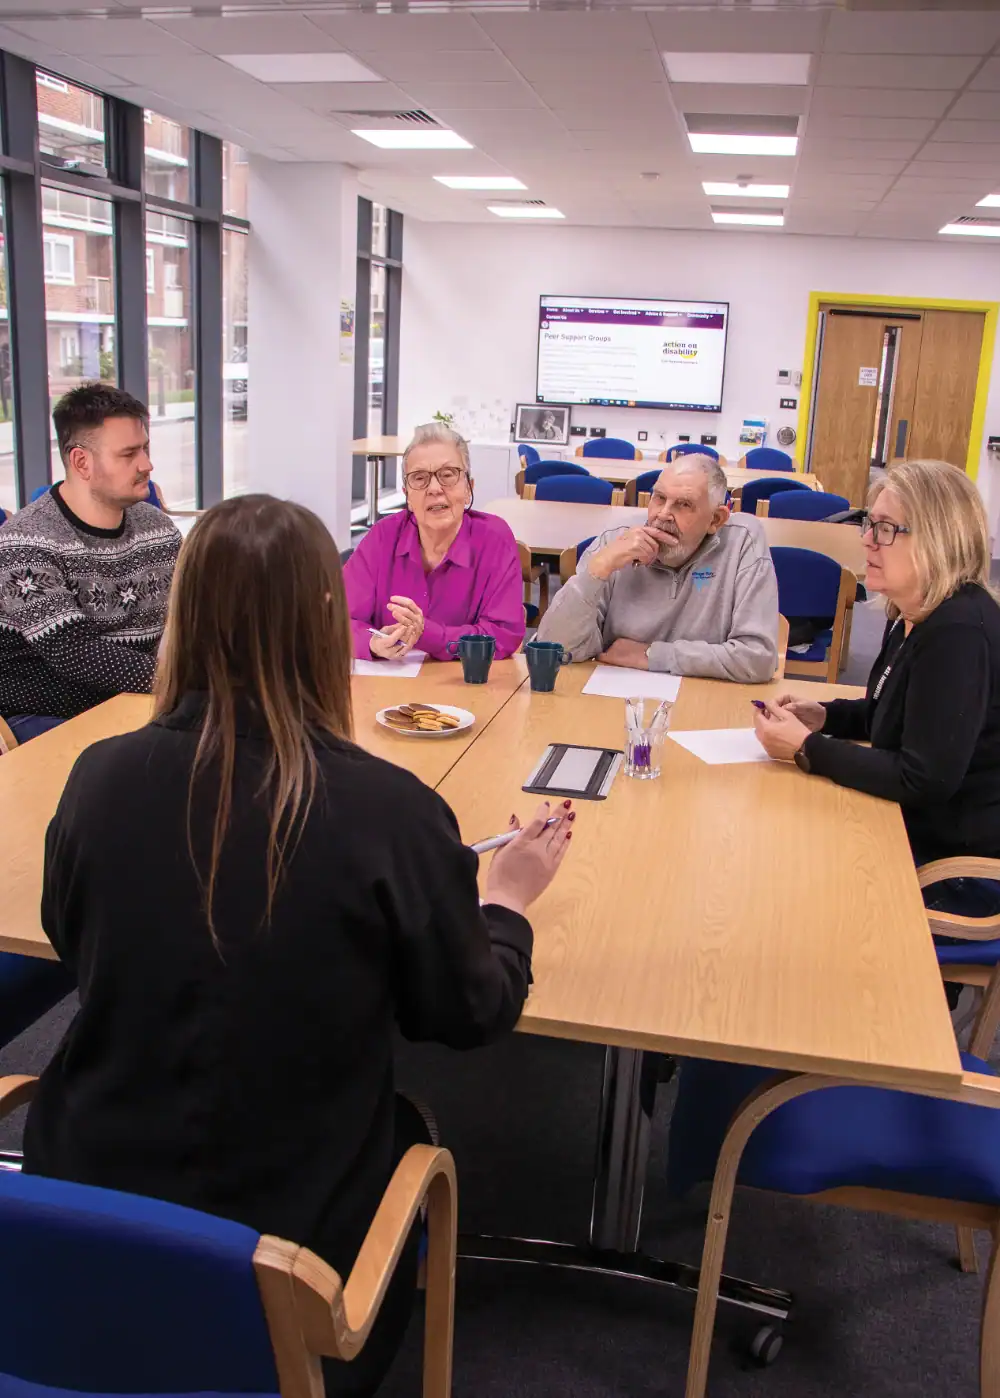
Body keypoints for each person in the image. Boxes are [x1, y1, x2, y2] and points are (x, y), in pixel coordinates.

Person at [24, 493, 573, 1397]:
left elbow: (71, 937)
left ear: (183, 612)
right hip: (288, 1266)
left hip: (80, 1217)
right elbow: (467, 1012)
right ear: (330, 623)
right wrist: (506, 902)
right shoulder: (387, 812)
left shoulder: (99, 777)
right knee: (412, 1130)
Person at [754, 459, 1000, 887]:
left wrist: (806, 747)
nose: (867, 540)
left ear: (939, 540)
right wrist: (824, 716)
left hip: (953, 862)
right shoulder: (912, 610)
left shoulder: (957, 634)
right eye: (869, 524)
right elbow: (892, 713)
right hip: (906, 821)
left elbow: (921, 779)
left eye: (886, 529)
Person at [0, 383, 179, 744]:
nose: (147, 464)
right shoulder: (25, 541)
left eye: (144, 448)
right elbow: (74, 654)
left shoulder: (159, 529)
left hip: (138, 704)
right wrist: (190, 682)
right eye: (129, 454)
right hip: (48, 716)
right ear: (81, 461)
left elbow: (194, 615)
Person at [536, 454, 778, 682]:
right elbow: (555, 649)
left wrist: (653, 655)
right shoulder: (616, 540)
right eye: (659, 498)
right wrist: (596, 570)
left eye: (683, 504)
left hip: (702, 701)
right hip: (615, 695)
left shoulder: (742, 542)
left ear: (715, 520)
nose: (663, 515)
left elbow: (758, 658)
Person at [344, 423, 525, 661]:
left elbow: (503, 635)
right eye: (419, 478)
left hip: (467, 689)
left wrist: (427, 633)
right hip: (387, 687)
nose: (435, 489)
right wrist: (372, 642)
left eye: (448, 475)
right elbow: (335, 621)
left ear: (469, 488)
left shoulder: (494, 539)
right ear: (407, 495)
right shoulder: (382, 538)